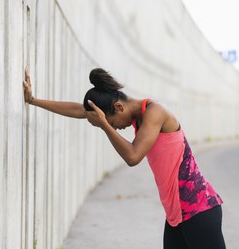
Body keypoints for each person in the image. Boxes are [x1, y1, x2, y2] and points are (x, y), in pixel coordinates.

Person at [23, 67, 226, 249]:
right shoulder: (138, 116)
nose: (114, 127)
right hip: (177, 214)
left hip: (199, 209)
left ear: (119, 107)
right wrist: (33, 100)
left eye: (112, 122)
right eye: (110, 125)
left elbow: (133, 156)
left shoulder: (156, 113)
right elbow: (79, 110)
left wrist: (104, 126)